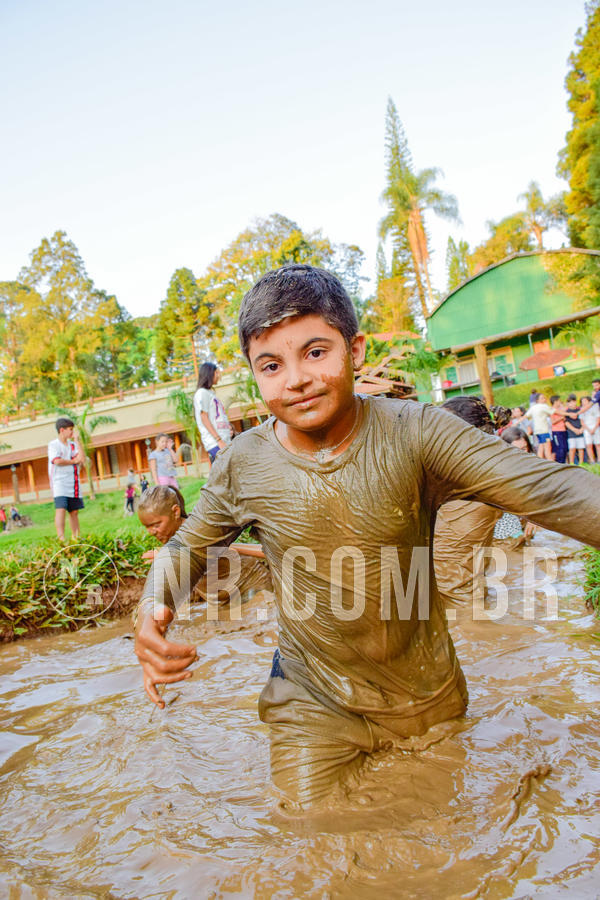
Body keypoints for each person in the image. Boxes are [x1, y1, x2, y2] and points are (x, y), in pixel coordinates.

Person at [132, 264, 600, 811]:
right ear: (255, 377)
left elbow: (549, 489)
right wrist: (151, 609)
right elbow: (186, 546)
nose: (296, 380)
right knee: (313, 838)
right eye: (271, 365)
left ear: (353, 351)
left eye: (314, 353)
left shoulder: (417, 431)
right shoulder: (245, 463)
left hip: (429, 695)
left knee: (444, 837)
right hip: (312, 700)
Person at [137, 485, 272, 602]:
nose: (151, 532)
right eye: (146, 527)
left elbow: (195, 552)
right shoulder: (172, 541)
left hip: (250, 585)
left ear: (176, 512)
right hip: (221, 599)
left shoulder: (199, 529)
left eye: (156, 525)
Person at [433, 397, 504, 607]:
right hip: (450, 595)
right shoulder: (444, 473)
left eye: (442, 426)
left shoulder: (487, 479)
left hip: (460, 601)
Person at [493, 427, 536, 544]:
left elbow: (537, 493)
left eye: (524, 449)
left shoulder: (533, 464)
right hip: (502, 513)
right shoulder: (498, 467)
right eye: (515, 449)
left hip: (523, 510)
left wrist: (533, 520)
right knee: (513, 542)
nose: (520, 453)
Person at [47, 416, 85, 541]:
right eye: (70, 429)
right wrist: (73, 461)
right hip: (59, 482)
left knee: (74, 512)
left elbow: (82, 459)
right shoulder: (54, 445)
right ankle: (61, 538)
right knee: (61, 509)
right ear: (62, 430)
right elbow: (57, 461)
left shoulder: (73, 445)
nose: (72, 432)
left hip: (73, 482)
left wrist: (78, 441)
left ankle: (76, 537)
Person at [193, 362, 234, 465]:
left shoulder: (210, 393)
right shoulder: (201, 393)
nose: (219, 376)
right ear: (209, 374)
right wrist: (218, 440)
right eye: (216, 373)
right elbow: (204, 417)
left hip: (224, 440)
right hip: (215, 443)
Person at [525, 392, 553, 460]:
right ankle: (553, 465)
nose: (544, 399)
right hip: (543, 432)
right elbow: (554, 411)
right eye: (542, 398)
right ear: (537, 400)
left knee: (541, 448)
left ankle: (541, 463)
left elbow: (525, 416)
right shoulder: (543, 406)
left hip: (538, 432)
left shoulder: (534, 408)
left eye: (544, 398)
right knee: (547, 450)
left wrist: (516, 423)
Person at [564, 394, 585, 465]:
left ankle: (581, 463)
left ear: (575, 402)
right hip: (571, 433)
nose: (571, 404)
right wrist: (574, 430)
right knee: (572, 449)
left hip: (580, 432)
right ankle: (571, 463)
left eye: (573, 402)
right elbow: (566, 423)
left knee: (581, 448)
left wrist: (582, 429)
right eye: (569, 402)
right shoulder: (567, 411)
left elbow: (583, 420)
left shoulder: (579, 410)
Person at [579, 395, 600, 463]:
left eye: (585, 401)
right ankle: (592, 460)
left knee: (598, 445)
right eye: (582, 401)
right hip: (587, 430)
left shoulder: (595, 407)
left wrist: (594, 428)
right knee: (589, 445)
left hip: (595, 428)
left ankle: (599, 460)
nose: (583, 403)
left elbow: (598, 419)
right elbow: (582, 422)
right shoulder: (581, 410)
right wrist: (589, 430)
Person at [550, 395, 568, 464]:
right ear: (555, 401)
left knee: (565, 448)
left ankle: (563, 463)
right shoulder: (552, 410)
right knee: (560, 449)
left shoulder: (561, 409)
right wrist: (561, 418)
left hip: (563, 430)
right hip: (556, 432)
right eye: (558, 401)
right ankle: (560, 463)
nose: (560, 402)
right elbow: (553, 422)